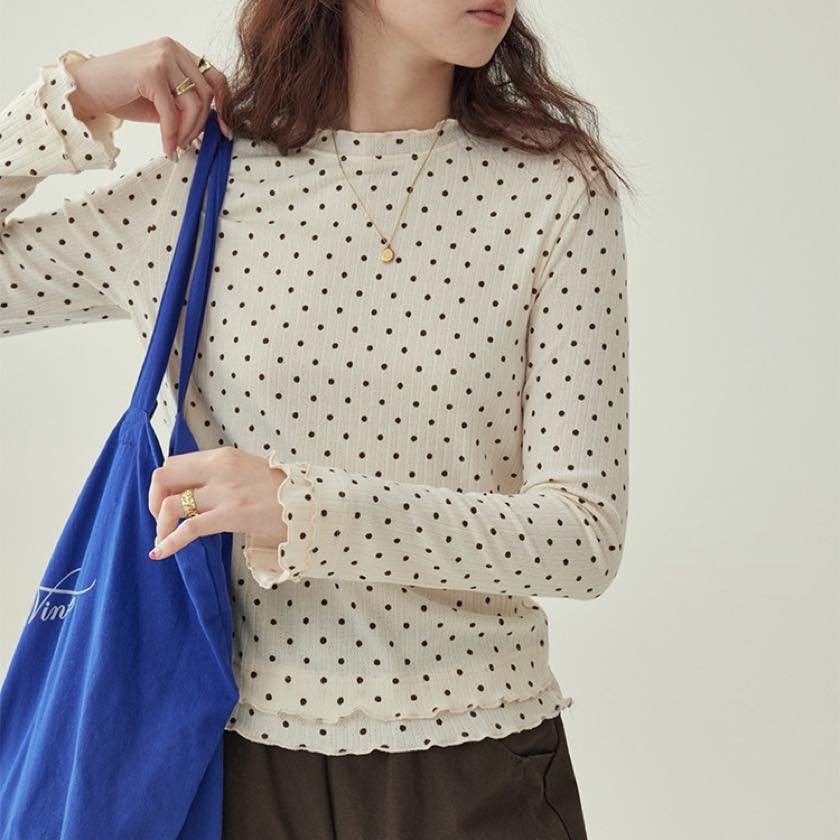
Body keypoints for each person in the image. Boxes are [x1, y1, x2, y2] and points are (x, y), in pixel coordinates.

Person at [1, 1, 632, 836]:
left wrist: (301, 509)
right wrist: (70, 98)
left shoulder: (554, 189)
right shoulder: (199, 187)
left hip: (480, 764)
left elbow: (584, 538)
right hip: (227, 766)